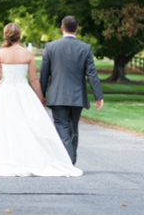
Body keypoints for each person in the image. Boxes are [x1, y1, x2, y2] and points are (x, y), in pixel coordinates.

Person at [0, 23, 82, 177]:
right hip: (24, 92)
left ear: (5, 35)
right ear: (20, 35)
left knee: (5, 125)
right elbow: (34, 79)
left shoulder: (0, 54)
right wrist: (40, 97)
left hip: (5, 92)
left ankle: (7, 157)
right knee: (29, 124)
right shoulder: (27, 54)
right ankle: (31, 157)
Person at [40, 15, 104, 165]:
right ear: (77, 29)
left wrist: (41, 95)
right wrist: (98, 96)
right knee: (73, 129)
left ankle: (66, 162)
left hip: (57, 95)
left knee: (62, 128)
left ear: (62, 28)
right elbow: (92, 74)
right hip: (77, 96)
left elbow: (44, 74)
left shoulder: (50, 47)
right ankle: (71, 160)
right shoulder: (85, 48)